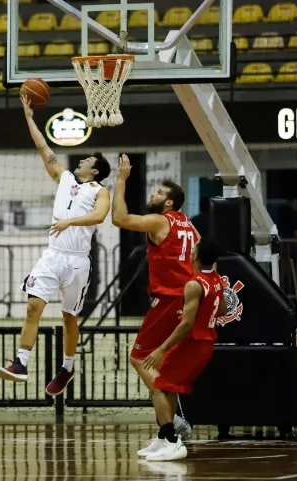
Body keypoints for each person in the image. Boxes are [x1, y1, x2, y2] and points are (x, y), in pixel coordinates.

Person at [0, 95, 111, 396]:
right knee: (33, 305)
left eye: (88, 160)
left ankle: (67, 367)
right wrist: (29, 117)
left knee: (69, 317)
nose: (82, 160)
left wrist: (68, 223)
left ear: (95, 171)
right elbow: (43, 148)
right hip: (52, 255)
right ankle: (21, 362)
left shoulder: (100, 190)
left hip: (77, 261)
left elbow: (99, 216)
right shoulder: (64, 177)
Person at [111, 155, 198, 451]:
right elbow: (198, 259)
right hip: (186, 300)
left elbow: (119, 219)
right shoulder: (188, 225)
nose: (153, 194)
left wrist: (121, 181)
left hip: (168, 301)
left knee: (139, 357)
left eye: (159, 193)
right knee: (166, 369)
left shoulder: (161, 221)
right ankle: (169, 427)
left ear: (170, 203)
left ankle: (171, 423)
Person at [142, 237, 225, 461]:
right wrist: (204, 315)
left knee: (157, 388)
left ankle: (171, 439)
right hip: (206, 343)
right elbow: (224, 308)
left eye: (193, 250)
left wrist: (161, 349)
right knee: (169, 388)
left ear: (195, 256)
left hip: (193, 344)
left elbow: (186, 325)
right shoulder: (216, 280)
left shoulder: (193, 284)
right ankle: (162, 437)